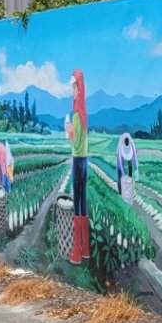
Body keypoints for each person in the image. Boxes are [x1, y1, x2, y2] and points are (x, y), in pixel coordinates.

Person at [65, 69, 90, 264]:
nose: (72, 91)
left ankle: (76, 252)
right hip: (85, 161)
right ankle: (86, 249)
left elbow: (75, 141)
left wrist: (68, 130)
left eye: (74, 87)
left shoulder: (76, 114)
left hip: (77, 160)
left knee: (77, 204)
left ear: (79, 89)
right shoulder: (84, 112)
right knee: (84, 203)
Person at [116, 131, 138, 202]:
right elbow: (120, 162)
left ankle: (129, 190)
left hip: (129, 159)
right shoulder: (120, 148)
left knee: (130, 172)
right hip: (120, 160)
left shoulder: (132, 145)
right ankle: (120, 192)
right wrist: (123, 173)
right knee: (120, 176)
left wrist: (136, 169)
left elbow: (134, 158)